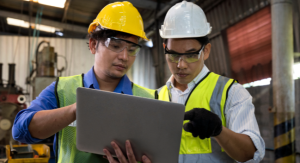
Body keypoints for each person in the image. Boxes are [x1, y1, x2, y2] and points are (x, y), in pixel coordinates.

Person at [12, 2, 155, 163]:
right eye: (116, 45)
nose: (124, 57)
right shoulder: (63, 90)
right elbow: (19, 131)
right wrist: (74, 110)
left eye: (131, 49)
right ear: (94, 44)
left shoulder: (147, 99)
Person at [157, 1, 265, 162]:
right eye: (173, 55)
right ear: (165, 48)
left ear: (205, 51)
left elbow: (249, 154)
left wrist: (218, 130)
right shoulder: (158, 96)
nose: (181, 65)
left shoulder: (231, 92)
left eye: (191, 55)